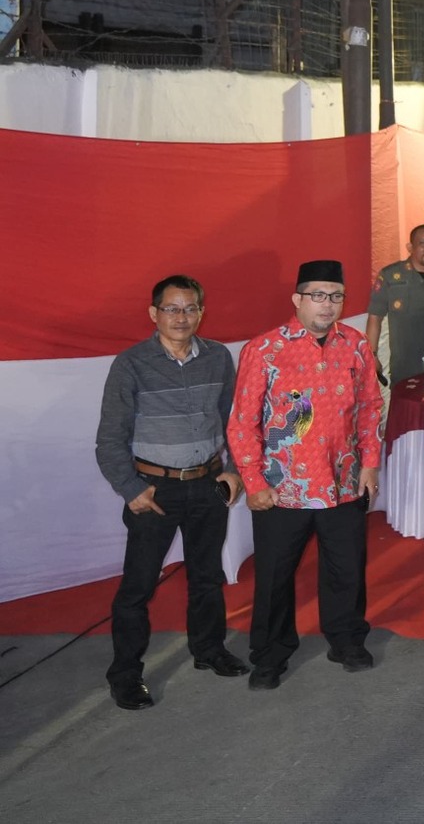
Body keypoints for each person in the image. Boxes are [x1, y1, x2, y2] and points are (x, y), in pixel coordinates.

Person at [228, 260, 382, 689]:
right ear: (297, 299)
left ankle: (346, 640)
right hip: (282, 487)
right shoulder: (264, 349)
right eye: (317, 295)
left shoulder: (355, 345)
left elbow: (370, 406)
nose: (327, 304)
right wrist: (254, 482)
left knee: (346, 569)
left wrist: (370, 463)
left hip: (344, 480)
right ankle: (270, 655)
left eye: (335, 296)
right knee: (274, 577)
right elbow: (242, 422)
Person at [96, 274, 246, 708]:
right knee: (138, 587)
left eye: (190, 308)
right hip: (153, 491)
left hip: (208, 486)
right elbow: (109, 439)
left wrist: (234, 472)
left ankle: (208, 649)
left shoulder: (218, 358)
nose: (182, 317)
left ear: (201, 312)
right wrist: (131, 489)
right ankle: (125, 674)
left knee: (206, 577)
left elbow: (235, 422)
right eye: (172, 309)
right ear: (154, 313)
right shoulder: (130, 364)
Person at [365, 225, 424, 388]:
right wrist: (371, 355)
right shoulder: (390, 276)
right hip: (404, 367)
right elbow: (375, 317)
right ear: (410, 247)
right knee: (405, 404)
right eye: (423, 243)